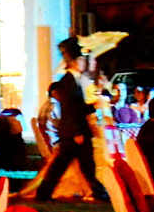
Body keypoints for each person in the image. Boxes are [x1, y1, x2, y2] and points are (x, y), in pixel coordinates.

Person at [33, 38, 106, 201]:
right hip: (74, 132)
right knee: (66, 165)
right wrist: (77, 132)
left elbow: (78, 106)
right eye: (81, 60)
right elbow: (69, 109)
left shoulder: (75, 80)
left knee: (80, 165)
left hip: (75, 131)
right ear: (75, 61)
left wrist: (92, 106)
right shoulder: (68, 82)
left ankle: (98, 191)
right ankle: (44, 193)